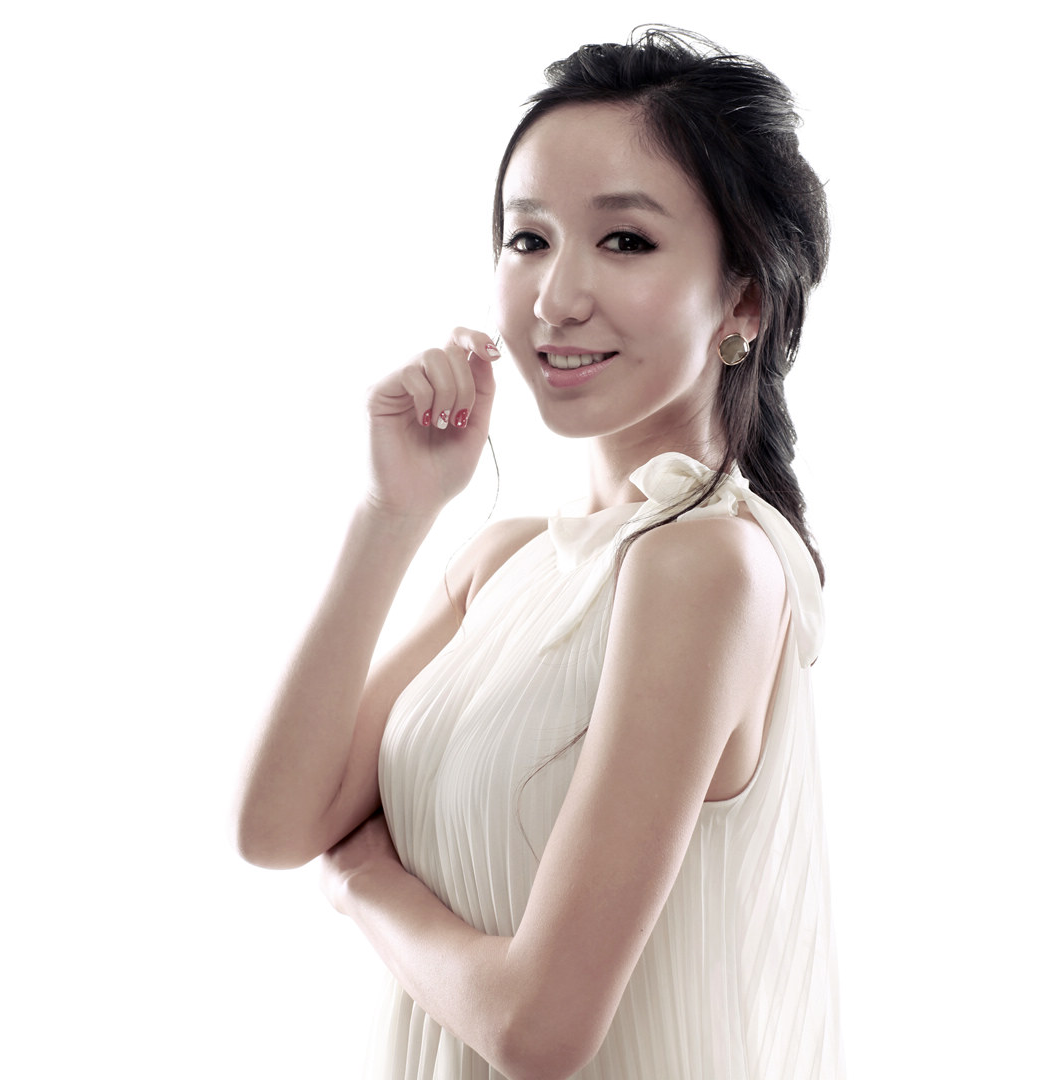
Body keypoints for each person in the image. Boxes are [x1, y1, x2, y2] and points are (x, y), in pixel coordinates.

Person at [235, 27, 841, 1079]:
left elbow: (538, 1029)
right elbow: (278, 825)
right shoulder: (506, 562)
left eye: (625, 241)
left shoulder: (704, 563)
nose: (556, 298)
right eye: (528, 239)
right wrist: (393, 513)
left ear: (743, 299)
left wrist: (363, 883)